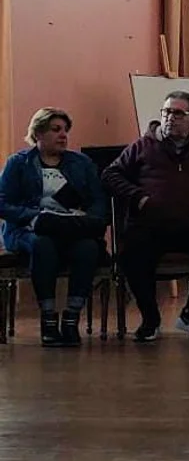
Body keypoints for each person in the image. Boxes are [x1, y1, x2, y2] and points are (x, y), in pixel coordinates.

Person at [102, 91, 189, 342]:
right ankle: (150, 319)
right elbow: (110, 175)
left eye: (178, 113)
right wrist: (136, 196)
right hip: (149, 226)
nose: (170, 118)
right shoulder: (142, 147)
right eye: (166, 112)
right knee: (130, 251)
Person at [0, 108, 108, 347]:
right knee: (43, 245)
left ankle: (71, 318)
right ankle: (48, 319)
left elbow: (98, 200)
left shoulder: (81, 163)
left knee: (88, 248)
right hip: (29, 229)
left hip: (70, 227)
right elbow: (3, 202)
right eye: (55, 130)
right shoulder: (18, 163)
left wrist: (89, 218)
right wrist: (33, 216)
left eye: (65, 130)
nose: (63, 135)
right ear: (38, 133)